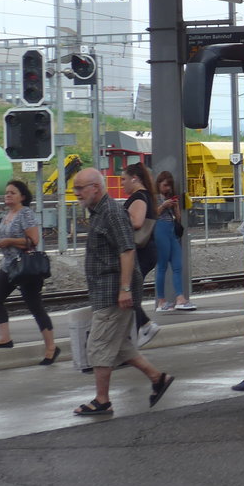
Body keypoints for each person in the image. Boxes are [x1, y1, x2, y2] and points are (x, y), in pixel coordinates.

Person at [71, 167, 174, 416]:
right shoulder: (98, 211)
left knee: (98, 345)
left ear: (95, 187)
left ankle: (102, 400)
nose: (76, 194)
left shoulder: (111, 212)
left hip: (113, 290)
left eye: (80, 188)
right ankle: (157, 378)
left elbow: (127, 250)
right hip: (105, 290)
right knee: (117, 346)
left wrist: (125, 289)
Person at [0, 179, 59, 364]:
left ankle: (51, 347)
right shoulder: (8, 214)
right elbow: (7, 239)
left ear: (22, 197)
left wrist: (9, 241)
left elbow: (33, 240)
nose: (7, 195)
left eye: (12, 192)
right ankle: (5, 339)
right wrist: (0, 244)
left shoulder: (25, 213)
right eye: (6, 192)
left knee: (35, 306)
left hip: (25, 266)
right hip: (9, 265)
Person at [122, 162, 160, 345]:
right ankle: (139, 328)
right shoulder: (146, 196)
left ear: (134, 178)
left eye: (124, 179)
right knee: (129, 292)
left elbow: (137, 222)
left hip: (141, 251)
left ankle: (144, 325)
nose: (121, 183)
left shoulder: (139, 197)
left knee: (127, 292)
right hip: (147, 250)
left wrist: (119, 216)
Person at [154, 170, 195, 311]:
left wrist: (176, 207)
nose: (168, 189)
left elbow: (178, 219)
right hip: (160, 231)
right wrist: (163, 205)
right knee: (162, 266)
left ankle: (180, 298)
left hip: (171, 232)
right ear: (159, 184)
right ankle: (161, 301)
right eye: (165, 185)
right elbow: (153, 215)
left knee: (178, 266)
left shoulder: (169, 198)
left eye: (169, 186)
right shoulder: (154, 198)